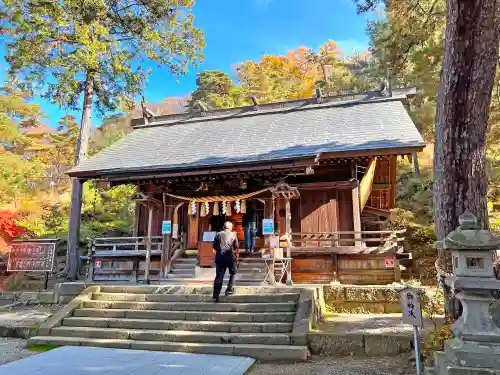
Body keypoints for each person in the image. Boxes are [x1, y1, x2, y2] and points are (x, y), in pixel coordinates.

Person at [212, 221, 239, 302]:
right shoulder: (233, 234)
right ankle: (229, 289)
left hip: (220, 257)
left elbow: (214, 245)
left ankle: (216, 295)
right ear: (231, 228)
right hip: (230, 257)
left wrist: (219, 251)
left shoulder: (218, 234)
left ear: (223, 227)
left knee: (219, 276)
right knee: (233, 272)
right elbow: (236, 246)